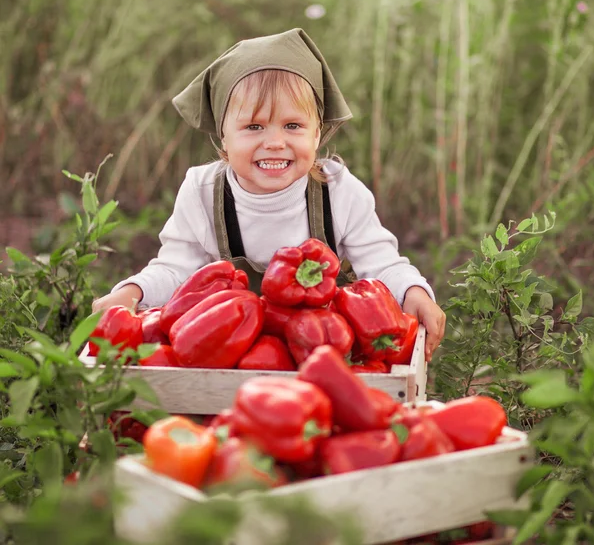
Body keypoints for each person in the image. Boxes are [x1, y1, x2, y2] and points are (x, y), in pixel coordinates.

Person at [92, 28, 445, 361]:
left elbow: (380, 264)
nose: (275, 142)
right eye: (253, 127)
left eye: (293, 126)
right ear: (223, 137)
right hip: (230, 356)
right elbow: (175, 270)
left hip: (323, 354)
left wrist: (412, 291)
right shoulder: (202, 193)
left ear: (318, 133)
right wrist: (133, 292)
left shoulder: (337, 191)